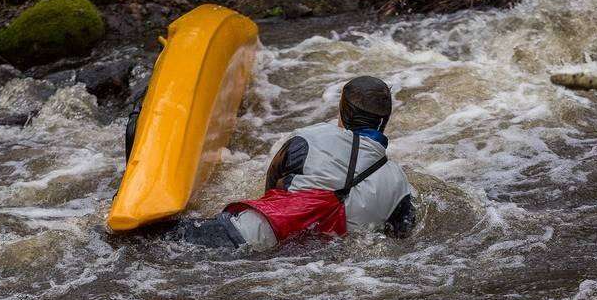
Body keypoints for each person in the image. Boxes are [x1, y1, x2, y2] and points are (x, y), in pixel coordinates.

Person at [127, 76, 416, 250]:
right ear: (385, 120)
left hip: (249, 236)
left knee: (140, 241)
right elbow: (401, 236)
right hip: (318, 262)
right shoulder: (399, 183)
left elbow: (270, 188)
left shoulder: (308, 138)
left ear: (342, 109)